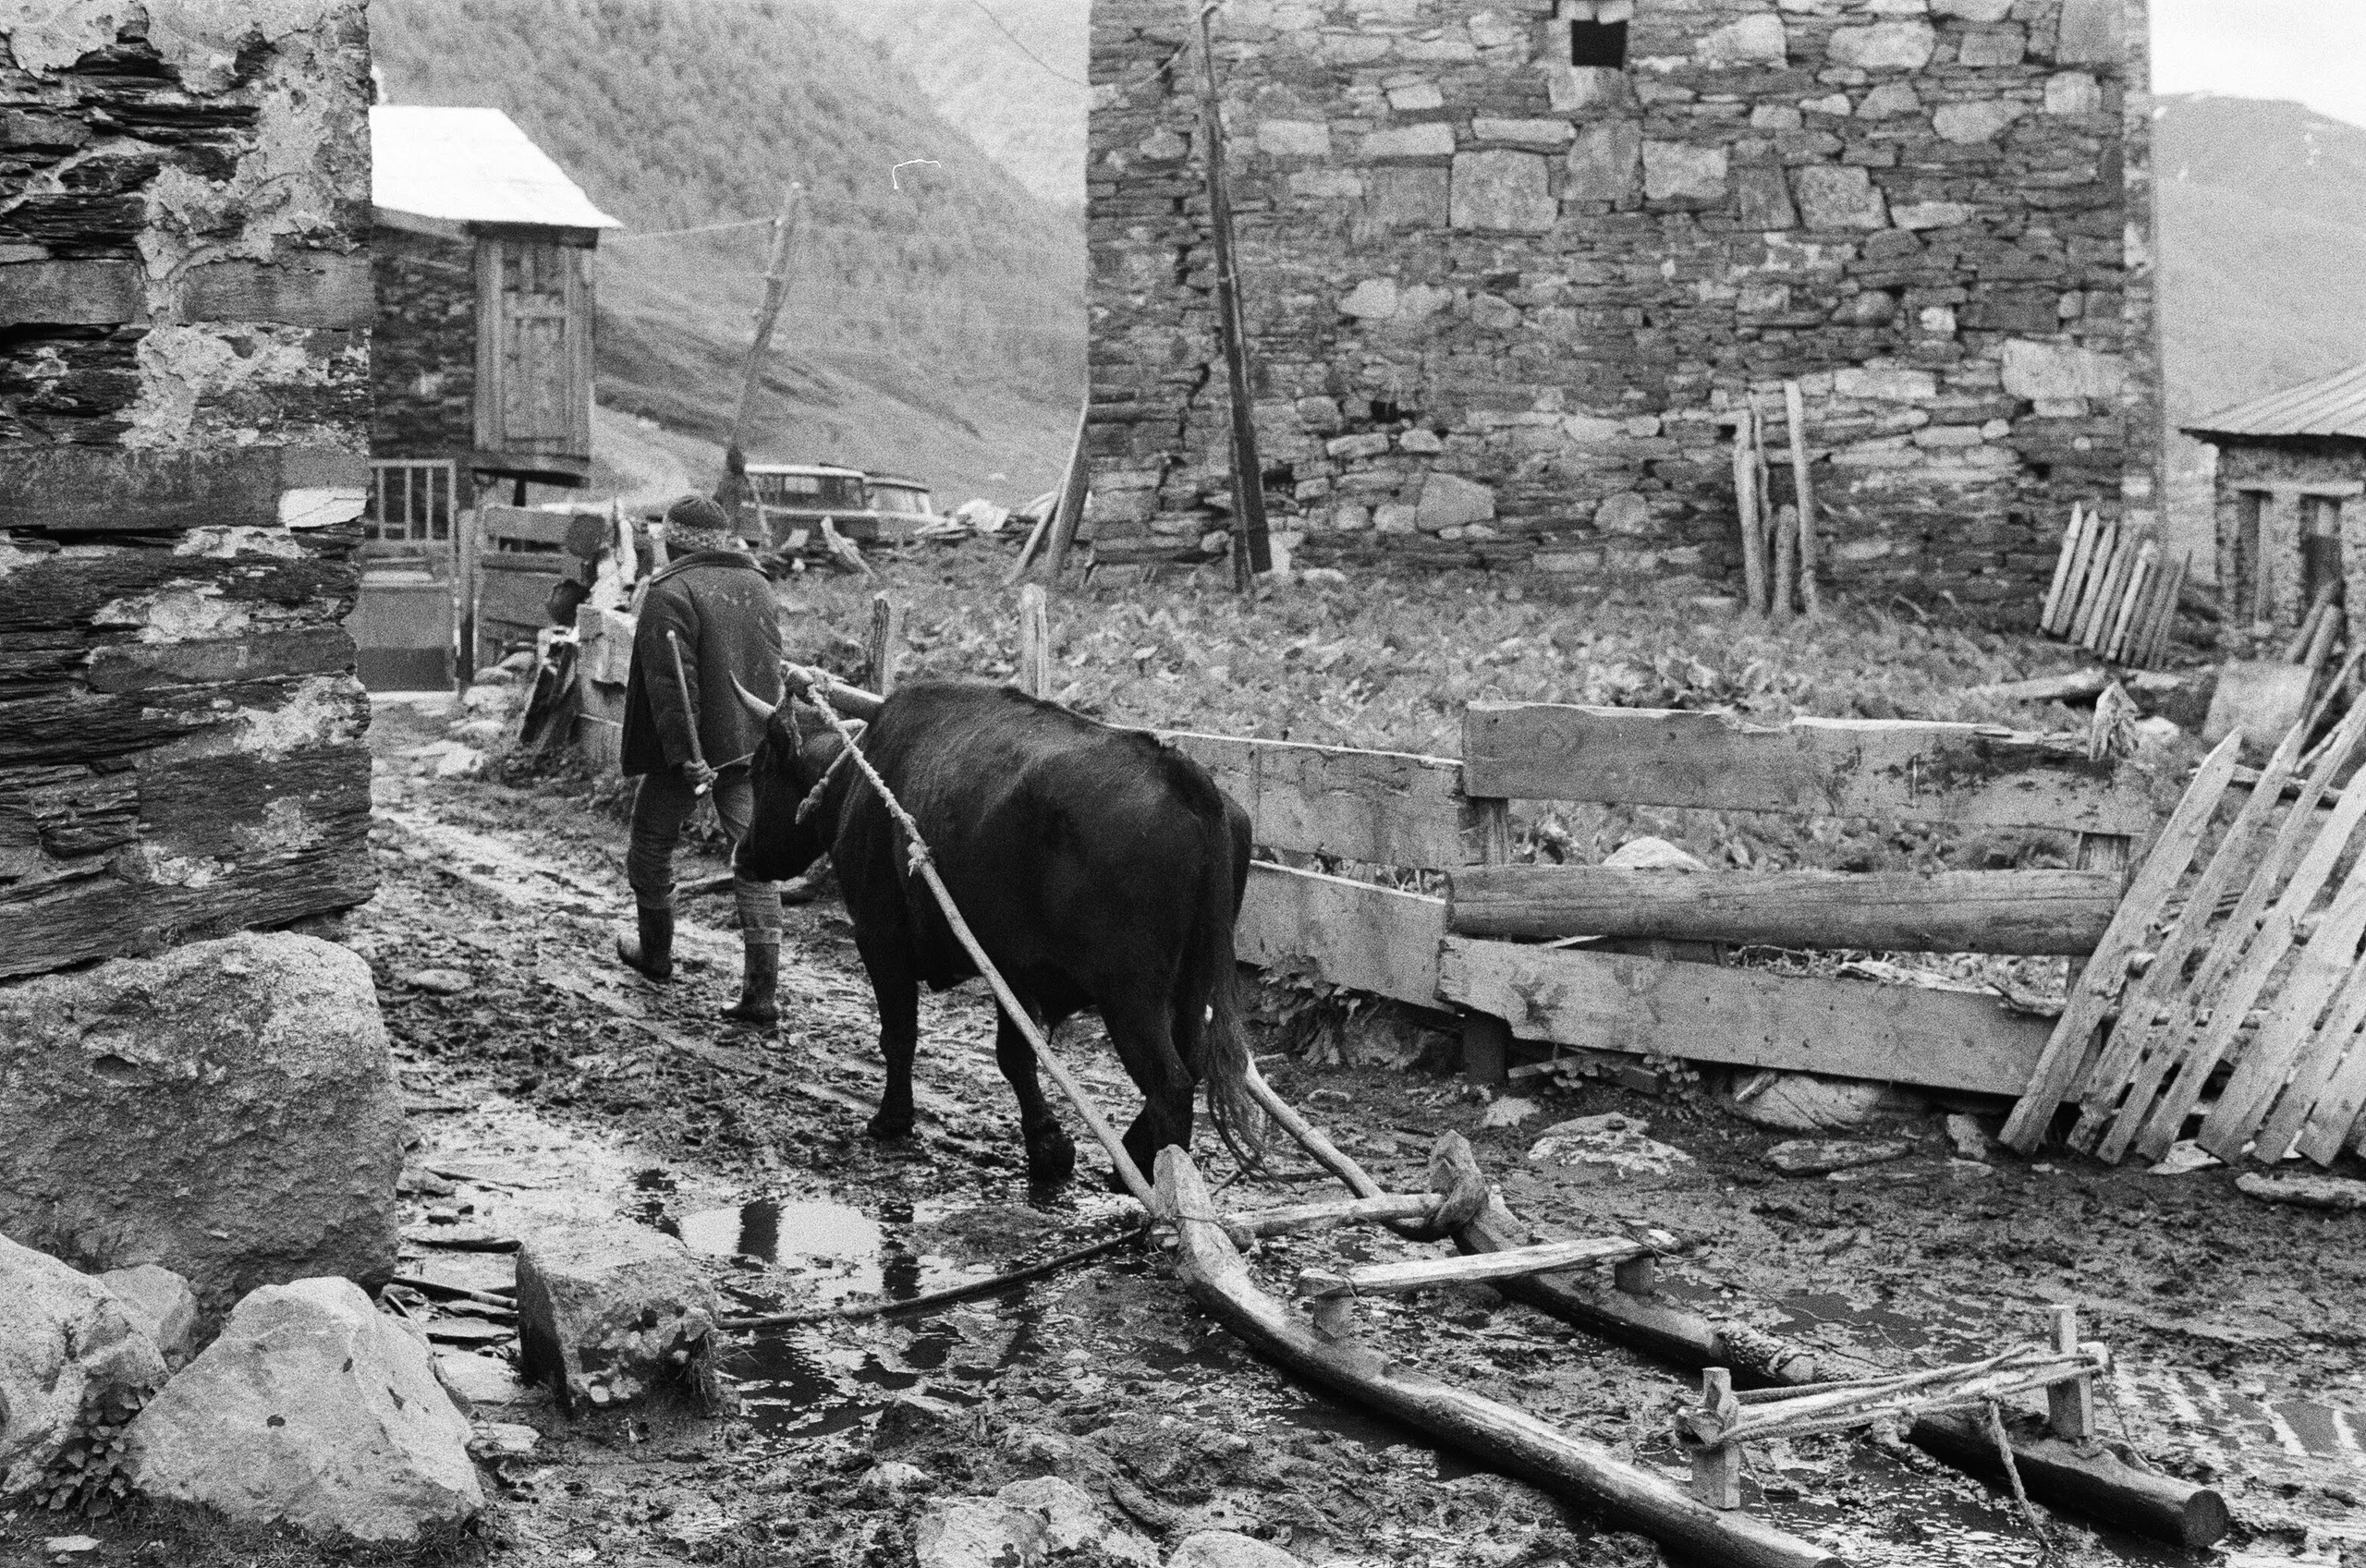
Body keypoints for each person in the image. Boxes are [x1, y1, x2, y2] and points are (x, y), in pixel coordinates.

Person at [616, 492, 787, 1023]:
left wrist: (686, 756)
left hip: (685, 757)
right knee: (754, 859)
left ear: (673, 539)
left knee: (650, 843)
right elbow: (770, 667)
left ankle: (656, 956)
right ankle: (761, 994)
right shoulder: (758, 584)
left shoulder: (668, 590)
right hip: (747, 748)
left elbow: (672, 689)